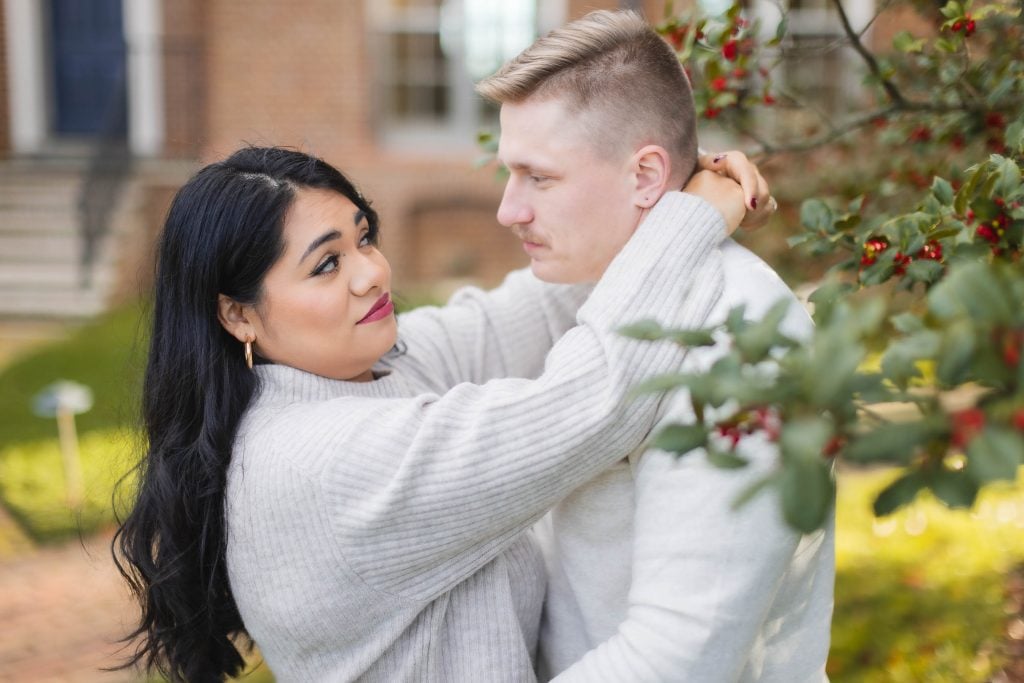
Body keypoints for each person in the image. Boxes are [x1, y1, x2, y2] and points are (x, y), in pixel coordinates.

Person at [113, 140, 759, 682]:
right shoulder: (319, 466)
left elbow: (532, 311)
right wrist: (688, 225)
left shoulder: (369, 366)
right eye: (327, 264)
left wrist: (645, 195)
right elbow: (589, 404)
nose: (370, 273)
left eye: (363, 238)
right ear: (238, 313)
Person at [476, 9, 834, 682]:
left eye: (538, 177)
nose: (508, 209)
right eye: (509, 173)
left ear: (644, 176)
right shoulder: (597, 282)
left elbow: (681, 656)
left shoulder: (745, 341)